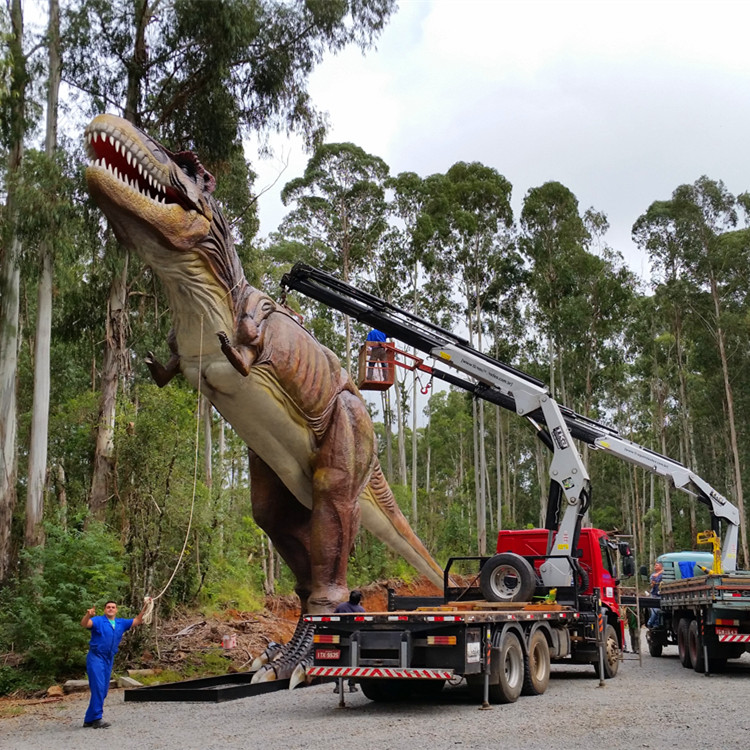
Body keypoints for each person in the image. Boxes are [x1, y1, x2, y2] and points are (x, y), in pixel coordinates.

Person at [81, 598, 151, 728]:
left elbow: (138, 620)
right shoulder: (98, 621)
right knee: (98, 687)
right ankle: (97, 719)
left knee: (104, 690)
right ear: (105, 609)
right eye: (108, 607)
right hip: (96, 657)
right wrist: (88, 615)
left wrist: (146, 606)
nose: (111, 609)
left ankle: (89, 719)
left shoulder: (120, 623)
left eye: (113, 607)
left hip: (109, 658)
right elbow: (85, 624)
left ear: (116, 610)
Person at [333, 591, 365, 693]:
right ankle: (352, 685)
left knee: (340, 661)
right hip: (354, 639)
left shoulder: (340, 607)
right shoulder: (361, 610)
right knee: (352, 661)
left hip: (340, 637)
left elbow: (333, 618)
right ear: (359, 600)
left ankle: (338, 686)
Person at [646, 562, 663, 629]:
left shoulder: (663, 574)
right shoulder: (652, 575)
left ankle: (651, 623)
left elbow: (664, 571)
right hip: (654, 595)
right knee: (655, 610)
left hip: (661, 595)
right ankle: (651, 624)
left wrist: (658, 574)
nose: (655, 566)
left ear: (661, 567)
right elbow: (651, 585)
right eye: (655, 565)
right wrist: (653, 583)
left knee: (658, 611)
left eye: (657, 565)